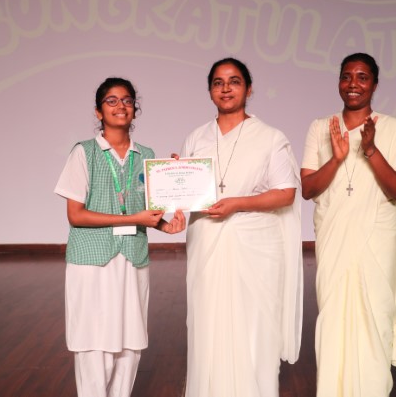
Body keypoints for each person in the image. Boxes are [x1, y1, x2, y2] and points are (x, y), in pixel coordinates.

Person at [54, 77, 186, 397]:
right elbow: (76, 215)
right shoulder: (83, 153)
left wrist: (168, 214)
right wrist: (133, 219)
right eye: (111, 101)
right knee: (92, 338)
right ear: (98, 111)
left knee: (130, 339)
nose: (120, 106)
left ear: (135, 110)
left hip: (132, 257)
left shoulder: (146, 155)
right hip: (91, 260)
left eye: (127, 100)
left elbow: (148, 212)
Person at [179, 58, 302, 397]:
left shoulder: (270, 137)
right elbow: (187, 193)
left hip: (256, 248)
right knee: (209, 322)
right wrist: (175, 180)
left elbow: (286, 193)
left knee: (255, 327)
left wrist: (236, 203)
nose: (226, 88)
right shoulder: (197, 137)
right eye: (218, 82)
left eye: (234, 81)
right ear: (210, 91)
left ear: (249, 89)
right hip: (207, 242)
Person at [301, 53, 396, 397]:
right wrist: (336, 159)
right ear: (339, 81)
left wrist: (371, 150)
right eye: (347, 76)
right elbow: (308, 189)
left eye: (362, 77)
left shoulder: (395, 129)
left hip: (378, 237)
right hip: (334, 234)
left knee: (376, 313)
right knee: (334, 316)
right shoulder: (321, 127)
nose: (353, 84)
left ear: (375, 84)